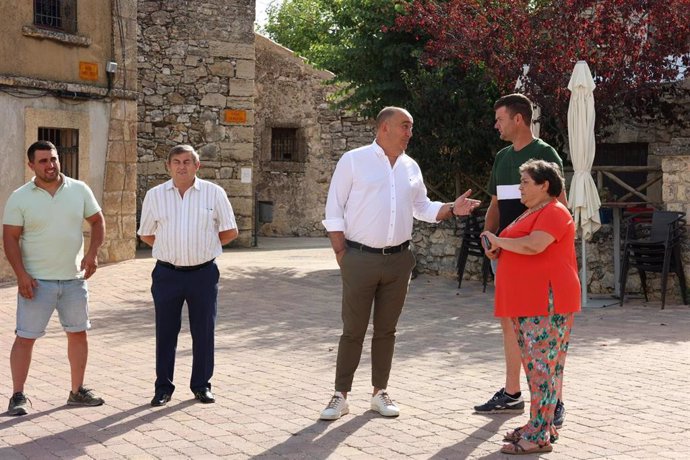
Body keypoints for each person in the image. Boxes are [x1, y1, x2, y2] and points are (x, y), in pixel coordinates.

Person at [319, 106, 481, 420]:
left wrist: (451, 207)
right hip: (359, 258)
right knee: (353, 330)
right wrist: (342, 255)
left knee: (387, 331)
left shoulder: (410, 166)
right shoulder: (353, 161)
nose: (410, 133)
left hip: (399, 261)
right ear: (384, 128)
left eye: (411, 127)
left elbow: (421, 207)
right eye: (405, 126)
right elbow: (334, 209)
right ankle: (340, 396)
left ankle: (380, 393)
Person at [475, 93, 568, 428]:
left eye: (499, 118)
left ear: (518, 119)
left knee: (546, 330)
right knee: (511, 325)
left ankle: (553, 401)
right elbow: (496, 206)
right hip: (506, 256)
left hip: (537, 256)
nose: (495, 124)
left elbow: (561, 206)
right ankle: (512, 393)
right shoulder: (501, 158)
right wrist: (488, 237)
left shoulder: (545, 154)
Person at [481, 159, 580, 455]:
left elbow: (534, 245)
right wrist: (496, 247)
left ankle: (539, 435)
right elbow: (518, 245)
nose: (520, 187)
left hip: (546, 300)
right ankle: (540, 425)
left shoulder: (554, 212)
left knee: (543, 369)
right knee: (538, 368)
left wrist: (499, 240)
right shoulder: (532, 212)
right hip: (528, 300)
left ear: (544, 185)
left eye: (525, 182)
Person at [3, 140, 106, 416]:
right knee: (25, 337)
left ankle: (77, 391)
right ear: (31, 165)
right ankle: (18, 396)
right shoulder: (20, 196)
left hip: (74, 280)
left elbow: (97, 221)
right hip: (36, 283)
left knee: (78, 334)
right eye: (43, 161)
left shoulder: (79, 189)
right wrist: (21, 275)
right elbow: (10, 239)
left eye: (54, 159)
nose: (51, 165)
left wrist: (93, 253)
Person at [138, 144, 238, 407]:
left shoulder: (214, 194)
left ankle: (201, 385)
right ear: (168, 166)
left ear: (197, 166)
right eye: (176, 161)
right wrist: (171, 249)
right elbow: (146, 233)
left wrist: (204, 246)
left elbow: (230, 231)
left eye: (187, 161)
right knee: (165, 332)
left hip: (203, 274)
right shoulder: (155, 195)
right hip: (167, 274)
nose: (181, 166)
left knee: (204, 330)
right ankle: (163, 388)